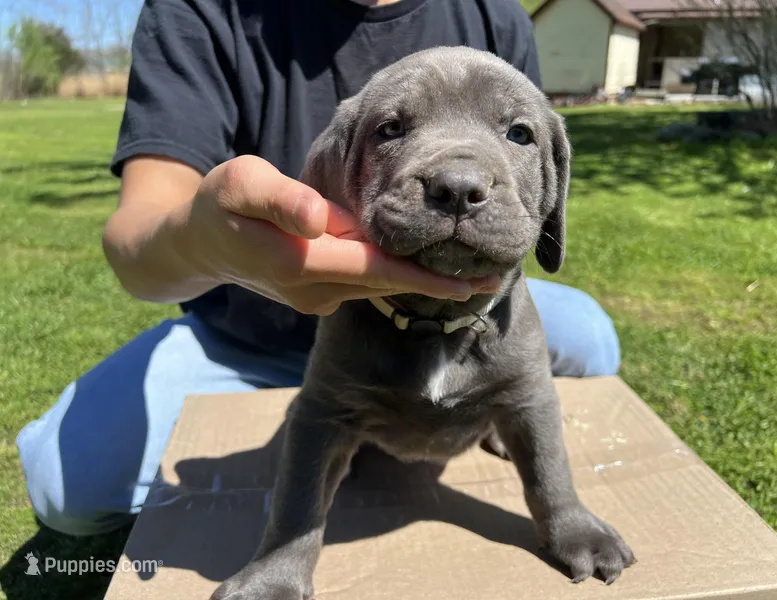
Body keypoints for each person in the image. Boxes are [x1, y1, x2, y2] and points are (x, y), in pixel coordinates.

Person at [16, 0, 621, 537]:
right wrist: (204, 243)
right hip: (249, 334)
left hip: (479, 312)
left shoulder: (494, 14)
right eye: (391, 131)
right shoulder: (199, 11)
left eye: (514, 131)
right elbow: (134, 240)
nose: (460, 180)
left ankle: (482, 417)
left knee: (587, 336)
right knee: (62, 487)